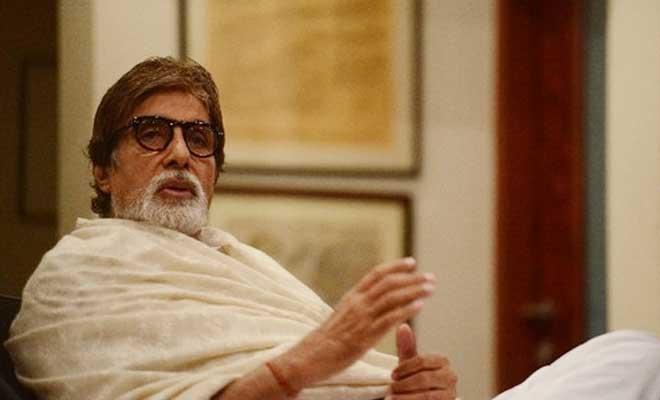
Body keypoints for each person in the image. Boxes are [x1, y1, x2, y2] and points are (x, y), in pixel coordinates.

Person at [5, 57, 458, 400]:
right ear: (104, 170)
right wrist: (306, 363)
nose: (180, 154)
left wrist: (408, 389)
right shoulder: (73, 279)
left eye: (198, 139)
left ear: (214, 172)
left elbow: (343, 380)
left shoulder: (246, 266)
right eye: (152, 133)